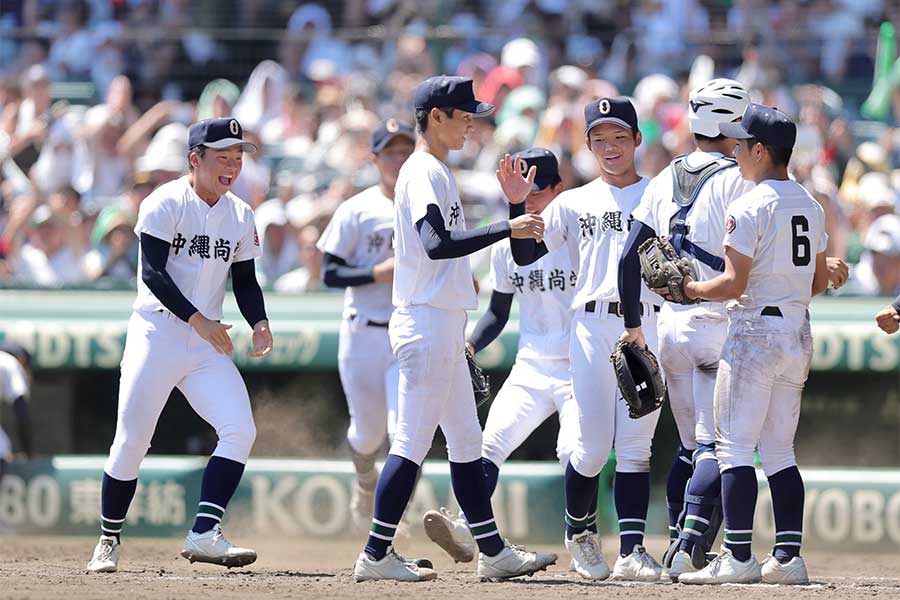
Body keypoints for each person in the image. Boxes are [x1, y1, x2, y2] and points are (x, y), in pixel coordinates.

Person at [351, 75, 555, 582]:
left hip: (440, 320)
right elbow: (436, 243)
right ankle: (375, 554)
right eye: (463, 114)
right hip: (424, 320)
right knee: (410, 443)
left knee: (467, 442)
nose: (471, 121)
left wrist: (510, 208)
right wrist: (506, 226)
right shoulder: (422, 171)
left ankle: (492, 551)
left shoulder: (436, 169)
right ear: (435, 116)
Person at [86, 118, 273, 573]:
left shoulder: (241, 213)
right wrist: (199, 320)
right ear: (196, 159)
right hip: (158, 332)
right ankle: (109, 538)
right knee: (132, 442)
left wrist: (261, 322)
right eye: (222, 156)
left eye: (237, 157)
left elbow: (245, 282)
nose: (231, 165)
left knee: (239, 429)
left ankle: (205, 532)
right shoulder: (164, 201)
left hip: (204, 341)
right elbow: (152, 273)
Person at [508, 97, 665, 582]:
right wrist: (517, 203)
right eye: (600, 138)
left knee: (638, 444)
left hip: (649, 323)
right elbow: (526, 256)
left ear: (638, 140)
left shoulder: (659, 195)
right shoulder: (573, 201)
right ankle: (580, 534)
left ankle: (633, 550)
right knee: (593, 444)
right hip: (593, 323)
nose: (610, 147)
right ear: (588, 144)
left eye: (620, 137)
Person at [679, 104, 831, 585]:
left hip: (753, 332)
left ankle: (739, 557)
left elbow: (730, 282)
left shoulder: (748, 204)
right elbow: (820, 281)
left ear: (761, 150)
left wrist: (691, 291)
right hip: (796, 330)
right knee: (781, 453)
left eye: (741, 144)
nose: (735, 151)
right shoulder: (810, 202)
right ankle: (788, 557)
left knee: (734, 450)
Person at [618, 79, 755, 579]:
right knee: (719, 447)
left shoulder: (662, 176)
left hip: (668, 326)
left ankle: (679, 533)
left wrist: (634, 325)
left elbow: (627, 257)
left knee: (690, 448)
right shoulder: (741, 177)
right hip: (716, 321)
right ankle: (689, 545)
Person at [420, 148, 573, 563]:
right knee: (488, 444)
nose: (529, 199)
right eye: (519, 192)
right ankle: (468, 528)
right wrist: (469, 345)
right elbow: (496, 313)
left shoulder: (577, 232)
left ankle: (584, 539)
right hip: (532, 364)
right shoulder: (508, 245)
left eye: (537, 191)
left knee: (576, 452)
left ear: (560, 189)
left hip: (581, 366)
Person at [316, 118, 415, 530]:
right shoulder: (357, 208)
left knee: (404, 429)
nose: (399, 157)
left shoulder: (426, 204)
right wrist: (377, 273)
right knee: (367, 434)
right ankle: (363, 481)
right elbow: (330, 273)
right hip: (362, 331)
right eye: (390, 151)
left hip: (406, 333)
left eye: (405, 149)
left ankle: (394, 514)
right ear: (374, 159)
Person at [0, 343, 34, 483]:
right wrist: (28, 451)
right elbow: (21, 410)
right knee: (2, 446)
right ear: (21, 359)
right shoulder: (10, 362)